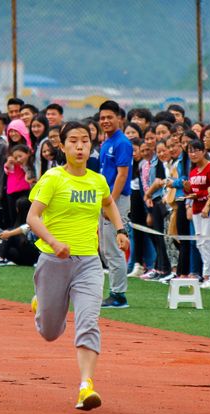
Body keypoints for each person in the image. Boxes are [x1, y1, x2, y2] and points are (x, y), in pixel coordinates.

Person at [26, 121, 129, 411]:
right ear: (62, 146)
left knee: (87, 322)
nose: (80, 146)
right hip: (53, 261)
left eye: (85, 141)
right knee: (49, 331)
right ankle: (41, 304)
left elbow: (109, 204)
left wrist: (121, 231)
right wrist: (54, 241)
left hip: (89, 263)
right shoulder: (52, 178)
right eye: (73, 141)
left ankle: (86, 386)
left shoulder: (97, 180)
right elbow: (33, 217)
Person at [98, 100, 133, 308]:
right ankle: (114, 291)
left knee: (113, 247)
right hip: (107, 199)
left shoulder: (122, 143)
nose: (105, 121)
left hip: (116, 199)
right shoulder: (107, 142)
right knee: (105, 248)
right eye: (102, 118)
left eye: (110, 117)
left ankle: (119, 295)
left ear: (120, 119)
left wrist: (109, 201)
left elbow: (122, 175)